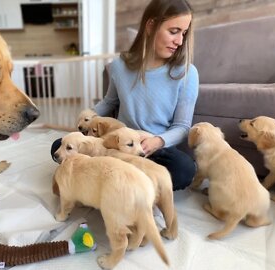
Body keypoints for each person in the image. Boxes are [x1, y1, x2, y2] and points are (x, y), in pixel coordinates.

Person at [51, 0, 198, 191]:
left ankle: (114, 177)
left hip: (153, 148)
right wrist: (87, 117)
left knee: (184, 170)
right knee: (58, 145)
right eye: (173, 31)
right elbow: (109, 102)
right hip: (115, 143)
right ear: (151, 25)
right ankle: (131, 180)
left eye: (183, 34)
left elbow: (182, 126)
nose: (179, 41)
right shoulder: (120, 66)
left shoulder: (187, 73)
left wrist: (157, 141)